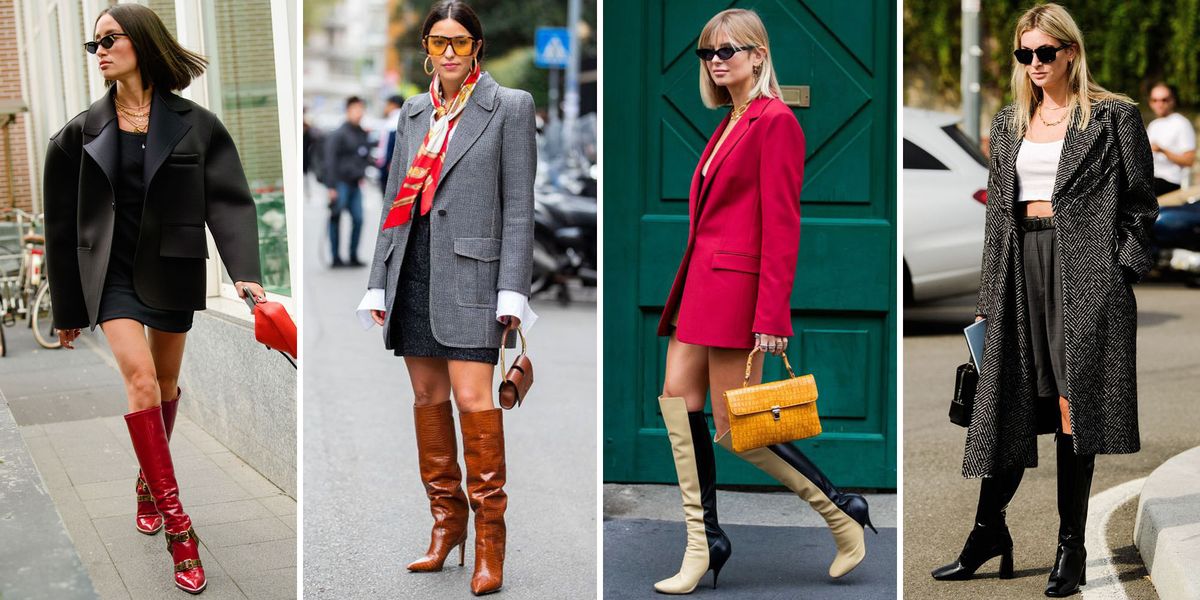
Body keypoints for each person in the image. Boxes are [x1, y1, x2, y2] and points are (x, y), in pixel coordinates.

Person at [931, 5, 1158, 598]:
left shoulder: (1113, 117)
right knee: (1005, 402)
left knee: (1070, 408)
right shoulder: (1008, 123)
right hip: (1016, 267)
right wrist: (986, 300)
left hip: (1082, 271)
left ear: (1070, 53)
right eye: (1024, 54)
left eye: (1044, 53)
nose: (1034, 64)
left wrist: (1119, 272)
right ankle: (987, 533)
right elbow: (995, 222)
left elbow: (1141, 204)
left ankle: (1070, 549)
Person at [44, 4, 266, 595]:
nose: (101, 52)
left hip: (173, 268)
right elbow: (64, 226)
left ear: (141, 42)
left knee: (167, 386)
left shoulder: (195, 123)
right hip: (111, 274)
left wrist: (244, 272)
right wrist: (69, 309)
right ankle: (179, 527)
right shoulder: (77, 133)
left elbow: (228, 201)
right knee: (141, 381)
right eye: (94, 46)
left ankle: (147, 482)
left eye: (109, 40)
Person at [651, 8, 874, 595]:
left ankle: (839, 509)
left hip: (734, 293)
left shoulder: (775, 122)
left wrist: (771, 314)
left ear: (758, 54)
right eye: (708, 53)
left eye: (729, 49)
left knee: (734, 427)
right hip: (700, 286)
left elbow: (782, 225)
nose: (718, 60)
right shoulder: (730, 119)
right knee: (677, 402)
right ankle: (703, 542)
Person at [355, 1, 537, 595]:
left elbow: (518, 211)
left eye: (460, 41)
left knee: (471, 397)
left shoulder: (508, 107)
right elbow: (393, 204)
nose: (450, 52)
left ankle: (490, 541)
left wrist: (512, 290)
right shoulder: (411, 113)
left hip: (475, 277)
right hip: (413, 270)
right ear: (427, 50)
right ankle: (445, 525)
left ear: (476, 47)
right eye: (439, 42)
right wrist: (378, 279)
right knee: (427, 397)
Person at [324, 96, 372, 267]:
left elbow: (365, 155)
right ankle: (336, 257)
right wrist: (331, 187)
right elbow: (329, 160)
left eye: (361, 109)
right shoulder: (338, 134)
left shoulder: (362, 133)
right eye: (355, 109)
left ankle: (353, 255)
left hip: (355, 183)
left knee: (358, 219)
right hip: (340, 183)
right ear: (348, 111)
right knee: (335, 218)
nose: (359, 113)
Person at [1146, 82, 1195, 195]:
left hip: (1171, 181)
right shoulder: (1153, 125)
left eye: (1164, 100)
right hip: (1152, 178)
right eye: (1155, 100)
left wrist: (1163, 151)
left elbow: (1189, 161)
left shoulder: (1181, 123)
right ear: (1150, 103)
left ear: (1172, 100)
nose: (1160, 104)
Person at [378, 94, 405, 194]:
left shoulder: (395, 120)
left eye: (387, 105)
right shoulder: (394, 119)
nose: (385, 108)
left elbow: (393, 144)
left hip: (389, 165)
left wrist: (391, 162)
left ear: (393, 105)